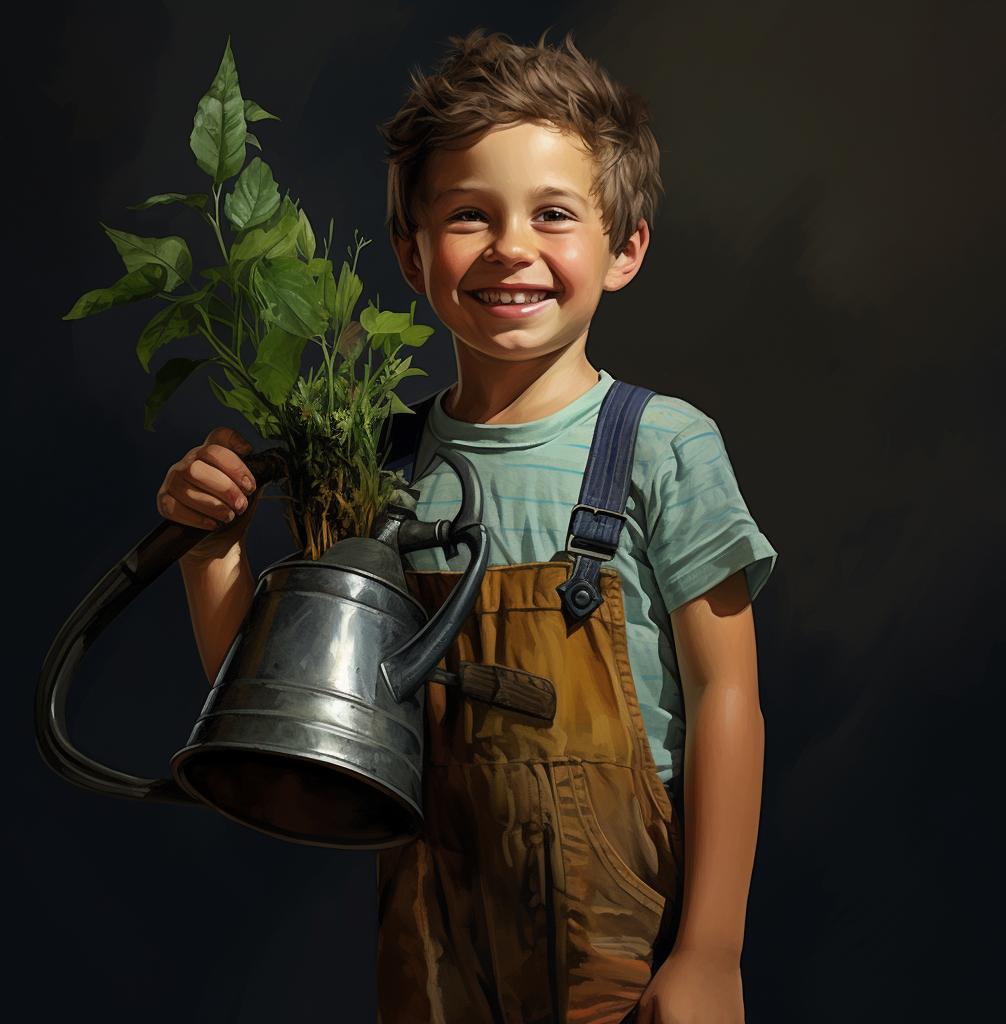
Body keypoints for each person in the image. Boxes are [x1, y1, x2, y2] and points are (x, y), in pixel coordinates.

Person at [157, 28, 777, 1024]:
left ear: (623, 250)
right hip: (429, 940)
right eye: (468, 216)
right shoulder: (374, 468)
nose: (511, 247)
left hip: (623, 939)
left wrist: (710, 948)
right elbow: (291, 718)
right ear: (410, 251)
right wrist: (212, 551)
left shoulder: (663, 446)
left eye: (553, 215)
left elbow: (727, 698)